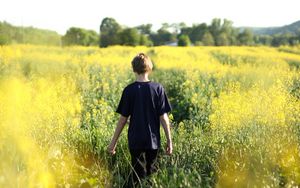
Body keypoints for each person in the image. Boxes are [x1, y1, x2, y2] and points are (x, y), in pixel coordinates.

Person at [107, 53, 173, 186]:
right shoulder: (158, 88)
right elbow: (164, 118)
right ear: (150, 68)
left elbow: (123, 119)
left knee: (138, 178)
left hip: (135, 141)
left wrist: (113, 142)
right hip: (153, 141)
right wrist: (169, 141)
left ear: (133, 69)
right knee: (152, 177)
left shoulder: (129, 90)